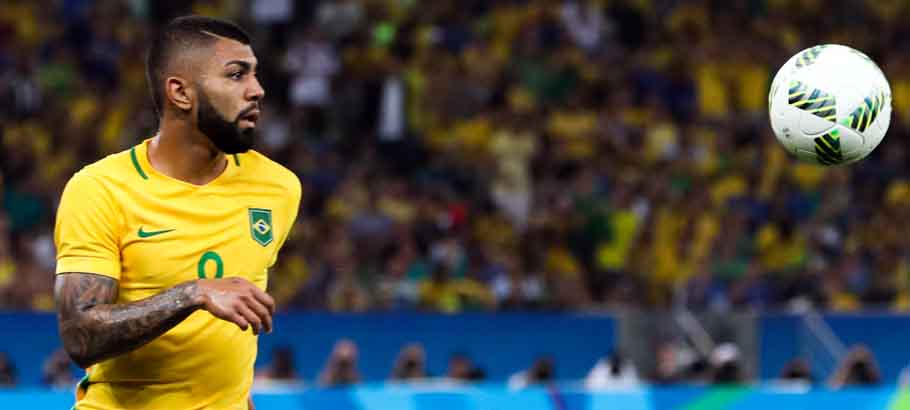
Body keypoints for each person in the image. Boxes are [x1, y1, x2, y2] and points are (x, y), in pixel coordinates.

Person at [53, 16, 301, 410]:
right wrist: (192, 293)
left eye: (255, 75)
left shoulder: (279, 188)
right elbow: (79, 336)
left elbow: (226, 347)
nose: (257, 91)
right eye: (236, 75)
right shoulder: (100, 189)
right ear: (181, 93)